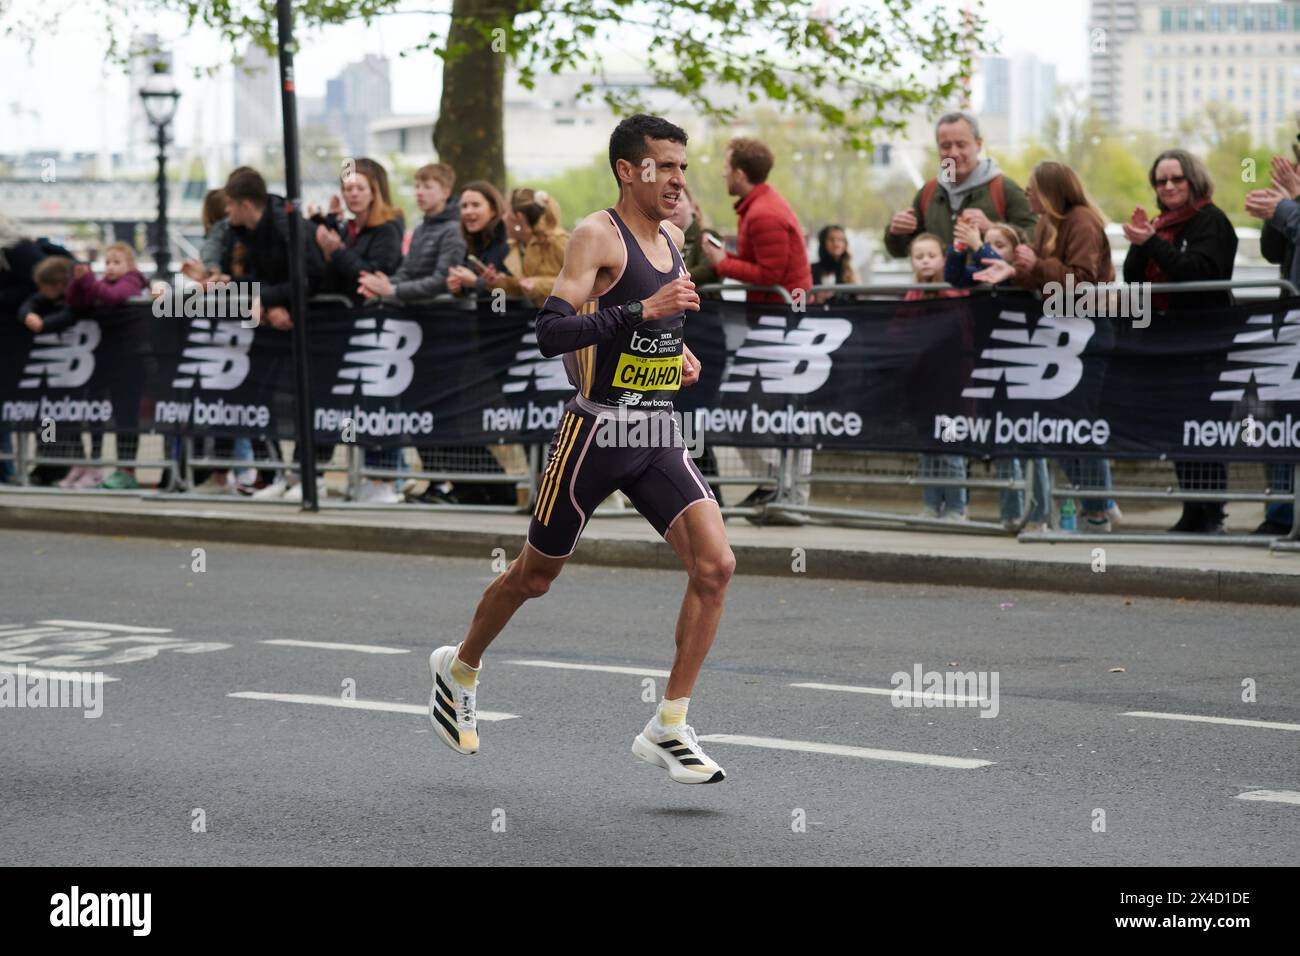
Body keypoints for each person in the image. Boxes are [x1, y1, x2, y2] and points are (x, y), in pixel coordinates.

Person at [426, 114, 733, 785]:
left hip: (653, 431)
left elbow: (653, 327)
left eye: (684, 165)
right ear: (630, 170)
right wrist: (642, 313)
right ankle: (460, 667)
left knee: (716, 567)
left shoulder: (673, 237)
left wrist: (673, 353)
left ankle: (670, 725)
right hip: (595, 434)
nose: (679, 177)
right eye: (666, 165)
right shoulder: (598, 234)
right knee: (535, 577)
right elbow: (552, 331)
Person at [974, 160, 1120, 531]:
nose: (1026, 194)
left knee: (1075, 421)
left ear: (1052, 192)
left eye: (1033, 188)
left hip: (1084, 330)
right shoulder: (1046, 223)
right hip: (1056, 331)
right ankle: (1094, 500)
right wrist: (1014, 272)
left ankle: (1098, 508)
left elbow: (1082, 279)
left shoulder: (1082, 221)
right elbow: (1041, 275)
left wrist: (1036, 264)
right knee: (1052, 422)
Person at [1124, 149, 1238, 534]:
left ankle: (1211, 514)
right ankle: (1192, 511)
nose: (1168, 186)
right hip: (1166, 342)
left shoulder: (1212, 222)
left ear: (1193, 180)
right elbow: (1134, 277)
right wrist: (1141, 242)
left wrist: (1152, 241)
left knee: (1206, 429)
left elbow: (1197, 272)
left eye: (1176, 179)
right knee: (1180, 429)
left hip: (1205, 345)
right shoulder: (1161, 225)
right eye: (1161, 180)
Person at [700, 136, 813, 520]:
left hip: (779, 325)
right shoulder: (758, 207)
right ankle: (778, 487)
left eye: (726, 166)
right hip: (773, 323)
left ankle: (781, 488)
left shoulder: (763, 213)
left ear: (740, 173)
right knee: (763, 405)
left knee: (763, 405)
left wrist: (721, 263)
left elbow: (770, 274)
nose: (722, 172)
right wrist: (728, 259)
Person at [884, 111, 1037, 258]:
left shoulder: (1003, 188)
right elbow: (901, 251)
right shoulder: (929, 192)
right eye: (945, 146)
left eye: (961, 144)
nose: (953, 153)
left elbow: (1036, 238)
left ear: (978, 145)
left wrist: (993, 229)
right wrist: (896, 233)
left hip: (989, 284)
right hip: (940, 284)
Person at [1246, 154, 1300, 536]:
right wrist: (1276, 213)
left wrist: (1290, 205)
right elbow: (1273, 252)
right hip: (1289, 333)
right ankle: (1281, 512)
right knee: (1281, 423)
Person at [903, 233, 971, 520]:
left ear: (943, 257)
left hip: (953, 385)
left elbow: (963, 327)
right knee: (927, 448)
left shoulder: (955, 290)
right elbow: (900, 330)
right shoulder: (912, 294)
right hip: (923, 384)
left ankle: (957, 505)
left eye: (931, 255)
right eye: (919, 257)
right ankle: (931, 504)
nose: (926, 261)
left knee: (950, 447)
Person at [358, 162, 465, 302]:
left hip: (440, 313)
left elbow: (442, 281)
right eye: (417, 186)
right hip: (415, 310)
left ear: (445, 192)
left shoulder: (454, 230)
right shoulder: (420, 227)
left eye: (427, 187)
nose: (419, 192)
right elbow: (407, 272)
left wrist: (393, 290)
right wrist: (384, 283)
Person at [445, 181, 511, 298]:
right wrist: (457, 287)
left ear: (493, 210)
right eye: (464, 206)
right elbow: (468, 288)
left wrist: (477, 282)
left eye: (475, 205)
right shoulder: (470, 242)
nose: (468, 211)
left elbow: (513, 292)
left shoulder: (508, 243)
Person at [811, 225, 859, 303]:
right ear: (823, 243)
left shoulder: (849, 271)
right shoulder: (812, 270)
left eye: (840, 240)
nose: (836, 244)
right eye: (831, 239)